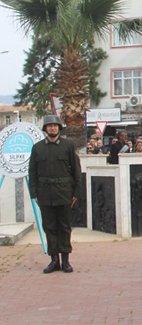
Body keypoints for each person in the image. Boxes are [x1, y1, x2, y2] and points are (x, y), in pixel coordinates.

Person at [29, 115, 81, 274]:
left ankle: (65, 261)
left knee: (64, 227)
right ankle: (54, 261)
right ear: (45, 129)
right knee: (49, 227)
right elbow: (32, 172)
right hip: (45, 194)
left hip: (64, 192)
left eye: (55, 126)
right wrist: (34, 193)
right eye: (49, 126)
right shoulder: (37, 148)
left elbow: (76, 171)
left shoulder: (68, 146)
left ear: (59, 128)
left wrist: (76, 193)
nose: (52, 128)